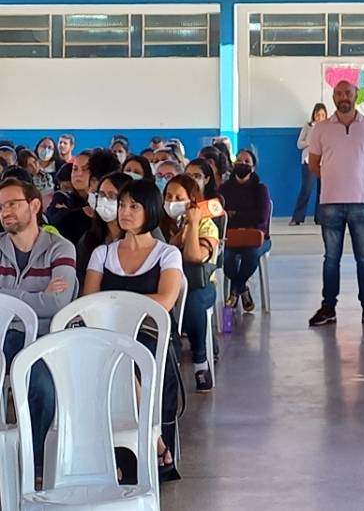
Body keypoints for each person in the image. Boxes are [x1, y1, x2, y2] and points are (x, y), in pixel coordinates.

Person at [83, 179, 182, 478]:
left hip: (149, 334)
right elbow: (89, 301)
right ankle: (151, 441)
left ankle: (147, 443)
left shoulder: (167, 254)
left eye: (134, 206)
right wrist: (122, 308)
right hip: (104, 333)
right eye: (122, 205)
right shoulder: (103, 253)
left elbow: (164, 300)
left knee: (128, 355)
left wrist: (114, 305)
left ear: (149, 210)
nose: (124, 211)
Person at [0, 178, 77, 471]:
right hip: (3, 335)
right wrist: (35, 297)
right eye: (1, 206)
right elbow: (45, 301)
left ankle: (34, 464)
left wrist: (6, 298)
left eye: (12, 204)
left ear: (34, 205)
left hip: (45, 339)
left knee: (42, 387)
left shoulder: (60, 248)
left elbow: (58, 304)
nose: (5, 211)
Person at [307, 80, 364, 327]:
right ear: (333, 97)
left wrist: (359, 178)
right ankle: (328, 307)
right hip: (330, 203)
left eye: (348, 93)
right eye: (339, 93)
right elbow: (313, 165)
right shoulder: (320, 129)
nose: (344, 97)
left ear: (356, 96)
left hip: (362, 203)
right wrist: (335, 179)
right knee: (331, 259)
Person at [161, 174, 218, 391]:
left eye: (178, 197)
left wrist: (193, 225)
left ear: (192, 200)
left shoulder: (207, 226)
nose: (172, 201)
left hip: (200, 285)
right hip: (167, 284)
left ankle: (200, 361)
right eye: (168, 196)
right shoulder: (160, 223)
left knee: (193, 302)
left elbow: (194, 256)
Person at [219, 149, 272, 312]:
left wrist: (235, 214)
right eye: (239, 161)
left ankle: (234, 291)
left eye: (247, 161)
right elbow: (220, 214)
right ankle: (242, 289)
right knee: (226, 259)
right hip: (231, 238)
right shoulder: (224, 189)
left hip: (256, 238)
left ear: (253, 167)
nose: (242, 164)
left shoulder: (260, 189)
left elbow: (261, 217)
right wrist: (241, 216)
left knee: (251, 255)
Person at [47, 149, 120, 245]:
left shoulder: (124, 222)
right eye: (75, 169)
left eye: (111, 195)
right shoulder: (68, 215)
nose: (79, 174)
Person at [76, 172, 132, 284]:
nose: (105, 200)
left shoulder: (142, 238)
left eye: (112, 196)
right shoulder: (89, 239)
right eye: (101, 194)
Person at [290, 103, 327, 226]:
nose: (320, 118)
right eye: (318, 115)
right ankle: (297, 218)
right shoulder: (308, 126)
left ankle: (320, 218)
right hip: (309, 161)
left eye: (322, 115)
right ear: (314, 115)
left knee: (323, 191)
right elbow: (299, 144)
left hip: (324, 162)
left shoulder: (329, 127)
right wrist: (309, 141)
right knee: (306, 189)